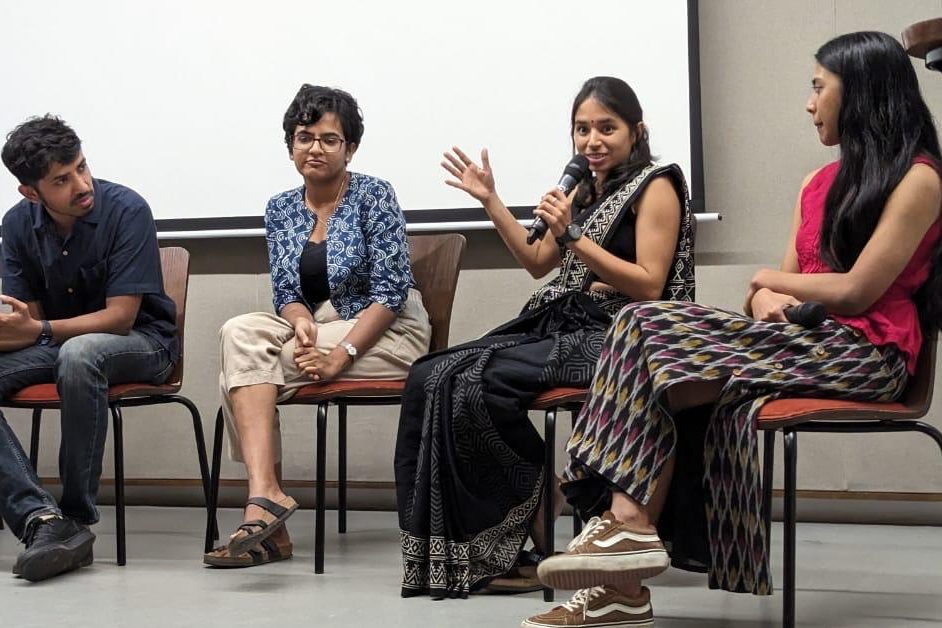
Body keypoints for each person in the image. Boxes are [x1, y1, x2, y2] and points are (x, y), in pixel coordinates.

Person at [524, 31, 942, 628]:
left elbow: (857, 291)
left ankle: (623, 540)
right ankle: (624, 574)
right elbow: (773, 293)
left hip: (869, 353)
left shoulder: (920, 178)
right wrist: (765, 293)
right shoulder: (815, 184)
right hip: (800, 341)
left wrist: (771, 279)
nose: (809, 103)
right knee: (650, 352)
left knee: (643, 323)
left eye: (818, 87)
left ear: (862, 92)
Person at [395, 76, 696, 599]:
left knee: (479, 381)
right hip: (563, 320)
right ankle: (473, 546)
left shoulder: (656, 185)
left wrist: (573, 235)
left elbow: (650, 284)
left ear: (637, 130)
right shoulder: (585, 189)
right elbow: (538, 262)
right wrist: (491, 200)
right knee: (432, 375)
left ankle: (524, 525)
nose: (592, 141)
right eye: (582, 129)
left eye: (607, 128)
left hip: (619, 337)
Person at [204, 85, 431, 568]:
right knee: (239, 334)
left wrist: (339, 356)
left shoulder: (374, 194)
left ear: (350, 148)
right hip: (323, 326)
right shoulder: (281, 208)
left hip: (388, 332)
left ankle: (266, 514)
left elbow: (390, 293)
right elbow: (287, 292)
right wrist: (301, 321)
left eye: (329, 139)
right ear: (290, 145)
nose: (315, 148)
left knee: (240, 372)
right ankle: (267, 496)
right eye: (304, 137)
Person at [0, 116, 178, 582]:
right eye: (62, 180)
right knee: (73, 351)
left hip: (142, 343)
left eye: (81, 167)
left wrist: (37, 328)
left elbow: (120, 317)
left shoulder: (127, 209)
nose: (82, 185)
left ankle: (76, 517)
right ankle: (41, 518)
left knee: (81, 354)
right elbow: (25, 324)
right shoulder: (16, 224)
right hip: (56, 344)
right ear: (31, 192)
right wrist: (22, 329)